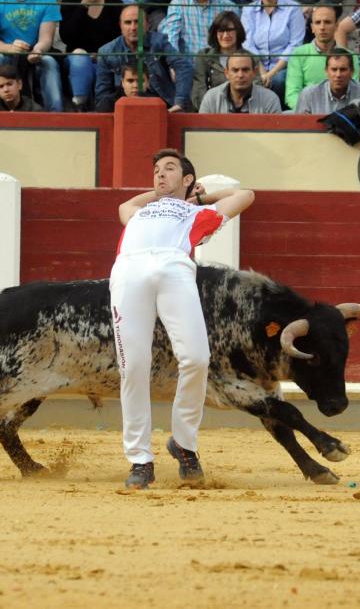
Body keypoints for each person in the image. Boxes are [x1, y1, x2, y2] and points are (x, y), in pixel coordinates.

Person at [111, 148, 254, 489]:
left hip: (175, 268)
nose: (159, 175)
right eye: (156, 170)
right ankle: (140, 459)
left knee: (196, 359)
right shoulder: (138, 213)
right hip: (128, 272)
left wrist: (200, 195)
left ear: (188, 178)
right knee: (132, 367)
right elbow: (124, 206)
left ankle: (184, 444)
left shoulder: (198, 213)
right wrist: (161, 192)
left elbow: (245, 195)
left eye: (170, 169)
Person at [0, 0, 63, 111]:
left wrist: (38, 50)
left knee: (49, 62)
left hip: (34, 51)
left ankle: (56, 118)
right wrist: (9, 48)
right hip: (3, 52)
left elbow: (46, 39)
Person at [95, 5, 192, 112]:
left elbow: (183, 66)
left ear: (147, 25)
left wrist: (179, 102)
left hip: (164, 108)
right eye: (128, 22)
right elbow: (103, 93)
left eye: (137, 22)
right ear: (120, 26)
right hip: (123, 109)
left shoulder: (159, 42)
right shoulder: (106, 52)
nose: (133, 28)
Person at [60, 0, 121, 111]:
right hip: (75, 60)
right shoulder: (70, 0)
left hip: (104, 59)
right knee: (80, 56)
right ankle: (80, 105)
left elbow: (118, 40)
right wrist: (83, 6)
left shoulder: (115, 4)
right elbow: (66, 36)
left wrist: (101, 55)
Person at [241, 0, 305, 107]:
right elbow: (247, 44)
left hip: (284, 67)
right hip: (256, 66)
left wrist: (272, 73)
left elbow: (295, 44)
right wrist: (262, 72)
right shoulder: (248, 10)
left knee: (279, 80)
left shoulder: (293, 8)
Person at [285, 4, 359, 110]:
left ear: (336, 26)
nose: (322, 27)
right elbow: (292, 95)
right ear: (312, 28)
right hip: (308, 113)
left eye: (327, 22)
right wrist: (311, 111)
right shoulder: (299, 54)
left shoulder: (350, 56)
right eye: (318, 22)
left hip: (340, 115)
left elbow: (353, 92)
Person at [191, 11, 257, 111]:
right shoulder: (204, 57)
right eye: (221, 31)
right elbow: (199, 90)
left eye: (230, 30)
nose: (225, 35)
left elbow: (257, 87)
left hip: (246, 112)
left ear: (238, 32)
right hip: (213, 113)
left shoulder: (250, 58)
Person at [159, 0, 237, 57]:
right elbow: (171, 39)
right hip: (187, 66)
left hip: (218, 67)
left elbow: (234, 45)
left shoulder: (229, 7)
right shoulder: (178, 3)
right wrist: (176, 65)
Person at [294, 49, 360, 114]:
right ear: (326, 71)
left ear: (352, 72)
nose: (338, 75)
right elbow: (300, 128)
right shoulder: (309, 95)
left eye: (343, 70)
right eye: (334, 69)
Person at [199, 51, 282, 113]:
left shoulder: (270, 100)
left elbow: (275, 135)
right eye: (235, 70)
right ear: (226, 73)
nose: (240, 75)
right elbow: (201, 133)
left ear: (254, 72)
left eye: (245, 70)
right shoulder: (211, 98)